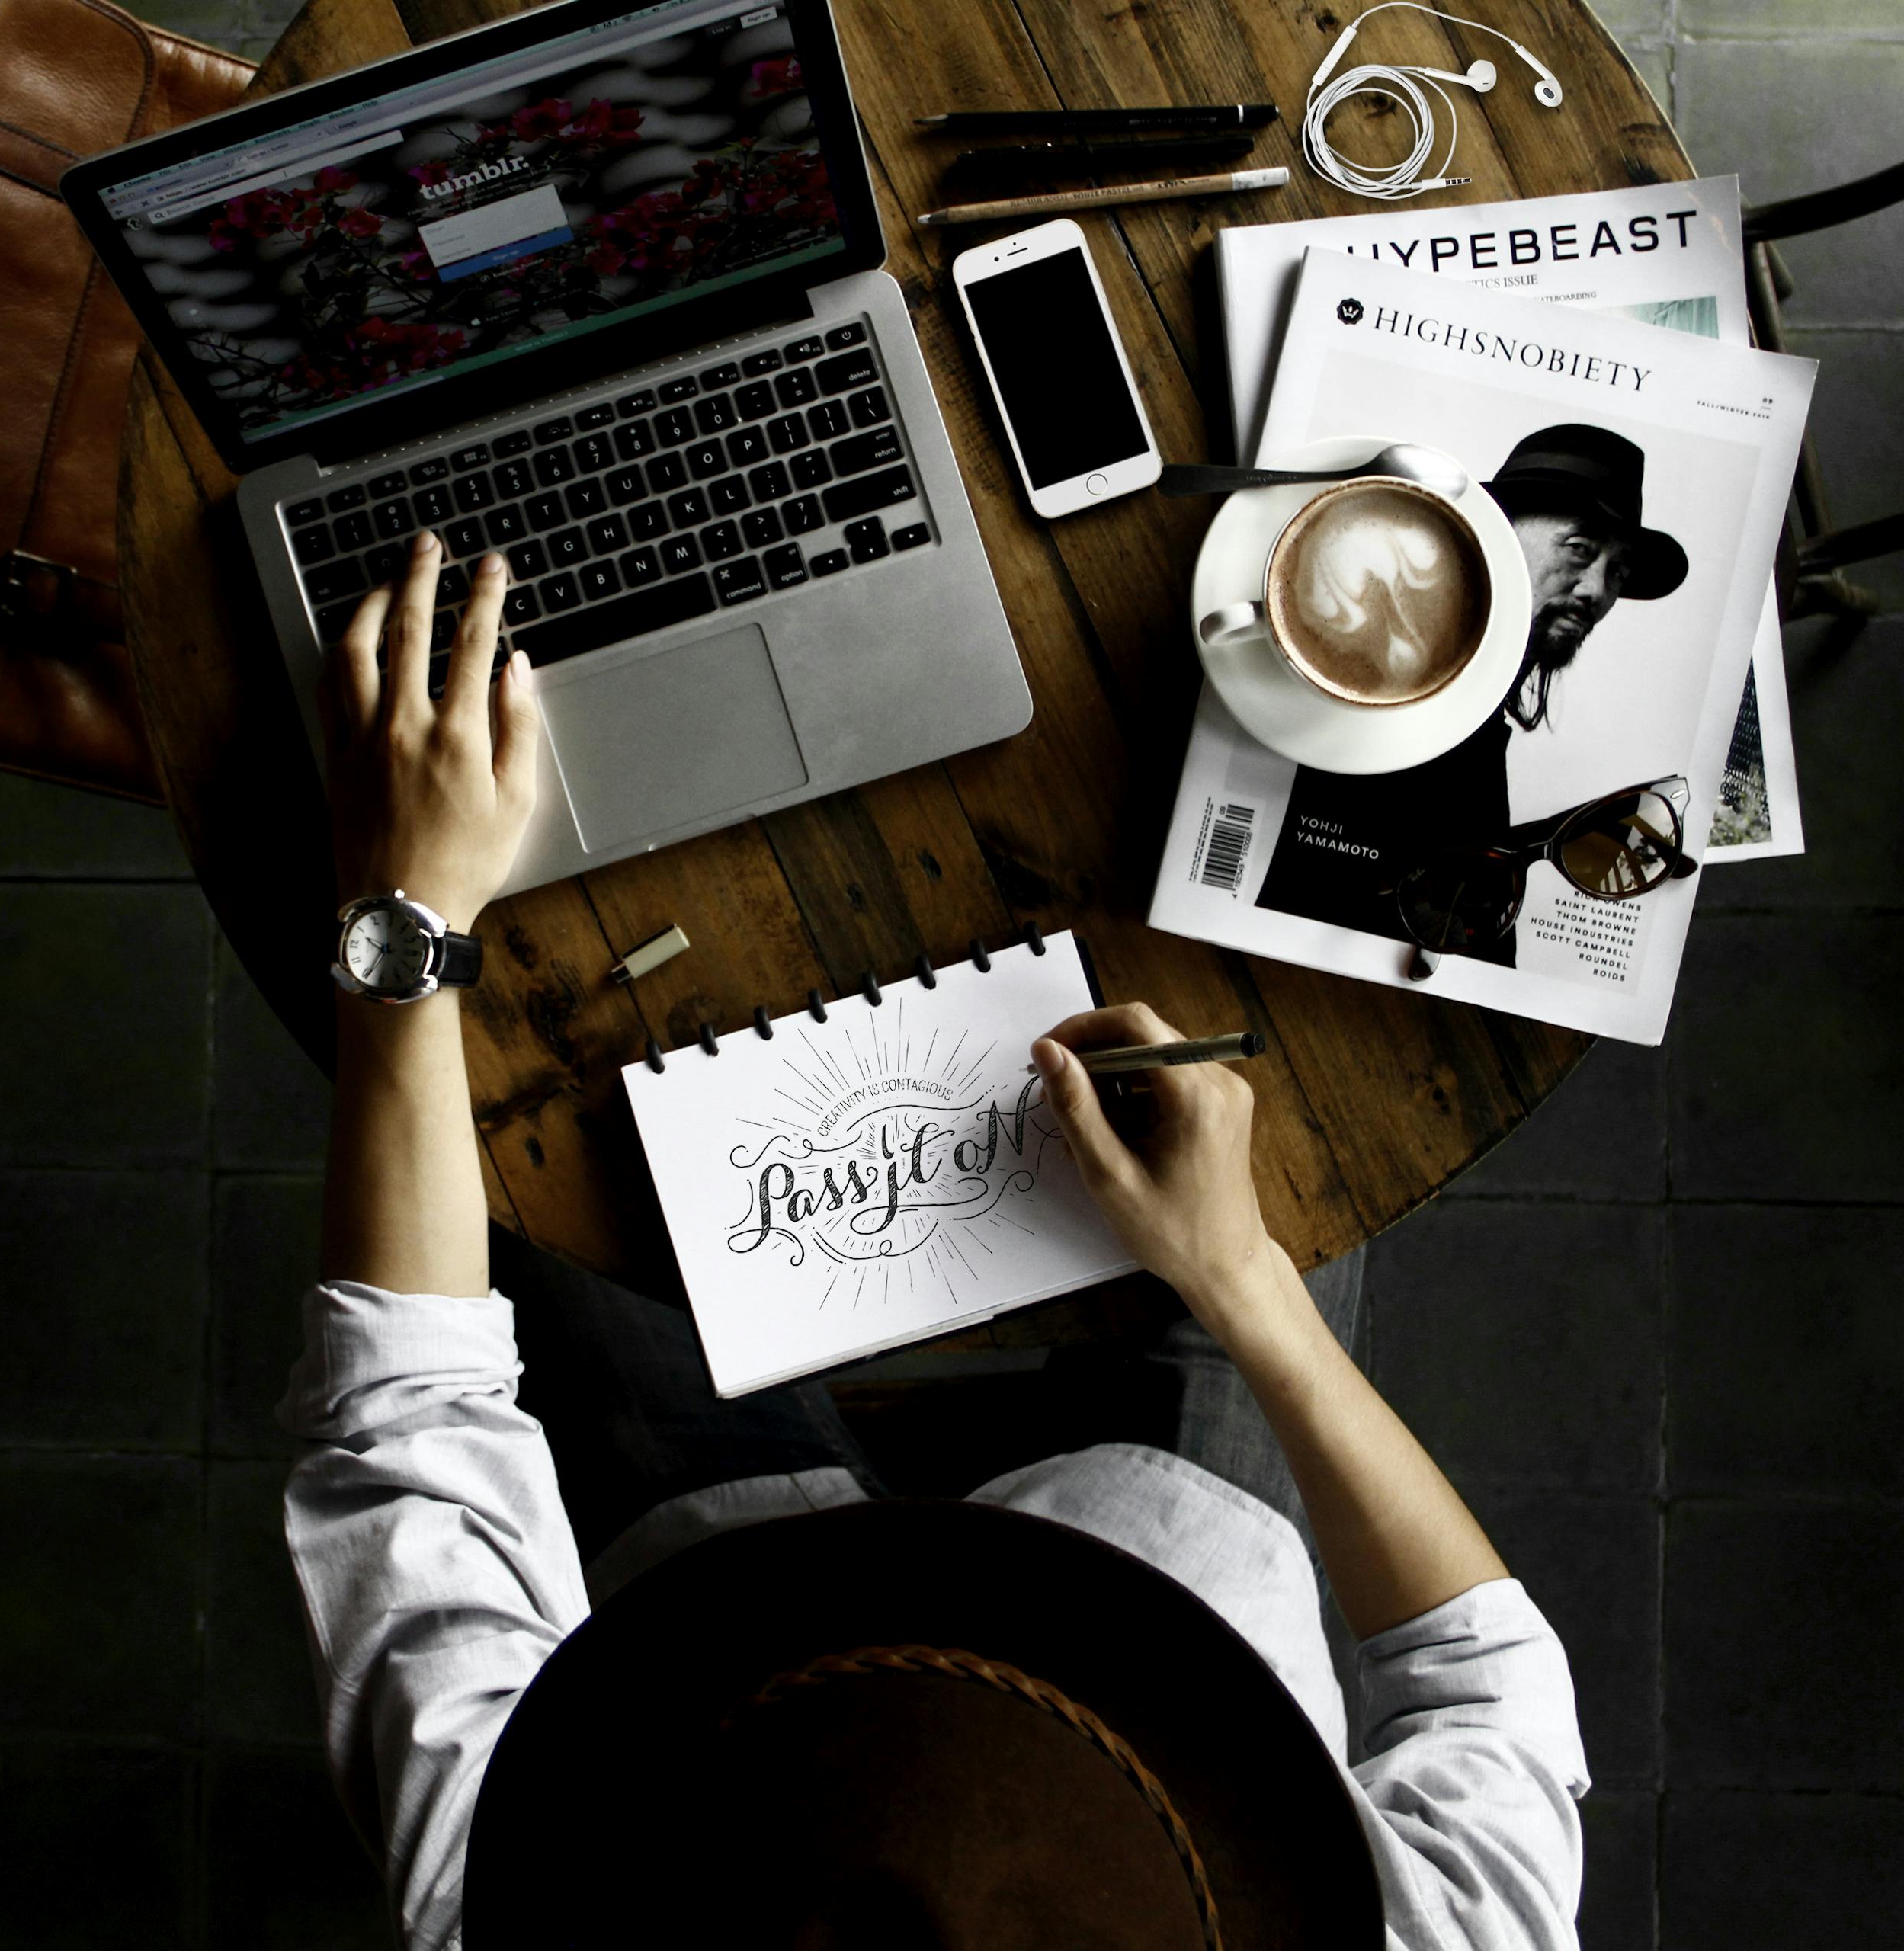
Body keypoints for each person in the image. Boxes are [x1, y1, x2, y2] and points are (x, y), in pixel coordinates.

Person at [281, 533, 1590, 1948]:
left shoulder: (514, 1898)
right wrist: (1240, 1278)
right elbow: (1482, 1678)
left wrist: (406, 923)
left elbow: (407, 1419)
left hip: (710, 1593)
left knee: (541, 1133)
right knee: (1285, 1030)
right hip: (1181, 1552)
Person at [1253, 423, 1690, 965]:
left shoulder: (1482, 725)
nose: (1599, 592)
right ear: (1498, 531)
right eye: (1579, 549)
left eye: (1619, 571)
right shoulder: (1392, 689)